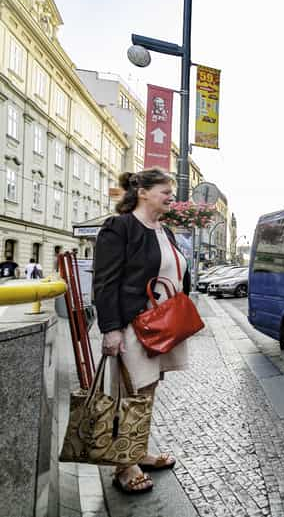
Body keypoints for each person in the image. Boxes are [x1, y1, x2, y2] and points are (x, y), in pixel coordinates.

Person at [93, 169, 191, 494]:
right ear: (144, 192)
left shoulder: (165, 231)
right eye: (165, 191)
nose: (170, 197)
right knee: (130, 393)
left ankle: (138, 452)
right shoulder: (120, 227)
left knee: (146, 393)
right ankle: (124, 465)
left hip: (161, 324)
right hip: (133, 324)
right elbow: (105, 282)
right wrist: (111, 329)